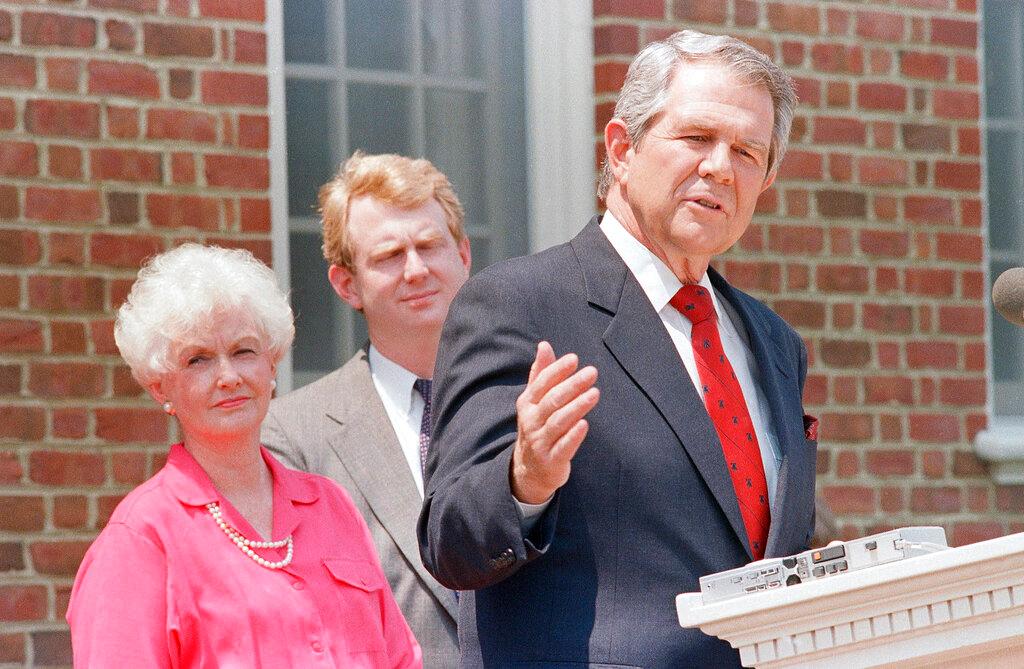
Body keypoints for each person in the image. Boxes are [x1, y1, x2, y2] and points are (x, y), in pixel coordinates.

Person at [418, 30, 818, 667]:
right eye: (696, 138)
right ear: (622, 148)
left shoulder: (774, 344)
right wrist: (523, 480)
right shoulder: (519, 305)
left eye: (747, 151)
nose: (720, 166)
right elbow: (449, 541)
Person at [67, 244, 421, 668]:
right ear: (161, 387)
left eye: (244, 351)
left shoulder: (333, 506)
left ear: (271, 364)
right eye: (198, 359)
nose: (228, 377)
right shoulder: (141, 539)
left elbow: (401, 658)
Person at [262, 152, 469, 668]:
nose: (416, 270)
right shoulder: (291, 436)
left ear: (463, 254)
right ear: (346, 283)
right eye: (389, 256)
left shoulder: (535, 399)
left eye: (428, 246)